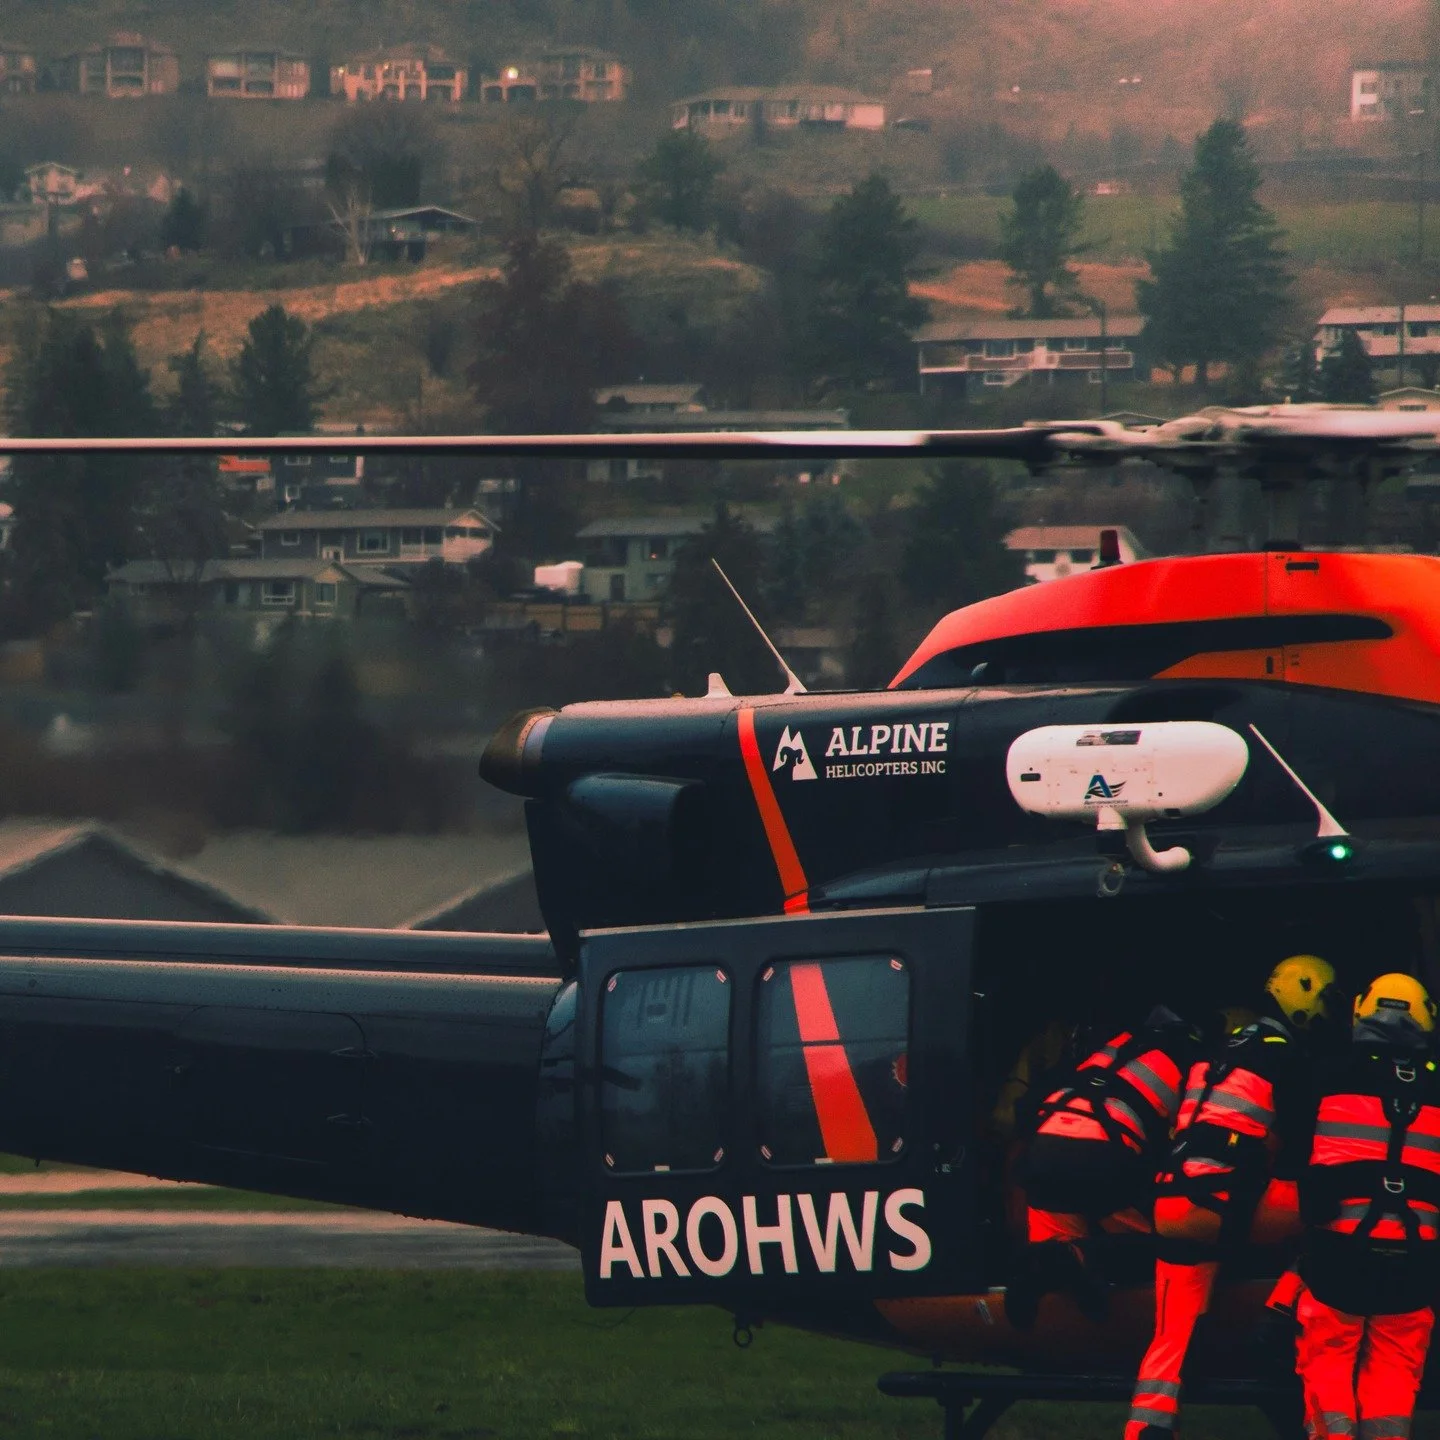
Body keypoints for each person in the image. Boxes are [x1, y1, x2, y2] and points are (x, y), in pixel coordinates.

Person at [1125, 955, 1341, 1440]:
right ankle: (1281, 1309)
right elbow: (1300, 1154)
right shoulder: (1286, 1056)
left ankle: (1146, 1428)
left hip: (1172, 1204)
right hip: (1224, 1205)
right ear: (1303, 994)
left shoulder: (1219, 1049)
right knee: (1348, 1214)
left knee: (1169, 1339)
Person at [1295, 973, 1440, 1440]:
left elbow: (1300, 1158)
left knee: (1328, 1357)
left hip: (1339, 1254)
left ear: (1361, 1011)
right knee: (1397, 1370)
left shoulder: (1326, 1071)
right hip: (1416, 1258)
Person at [1007, 1005, 1203, 1329]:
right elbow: (1194, 1142)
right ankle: (1084, 1259)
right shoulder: (1192, 1059)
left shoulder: (1116, 1045)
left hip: (1043, 1150)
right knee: (1168, 1246)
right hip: (1102, 1154)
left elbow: (1033, 1103)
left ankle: (1041, 1268)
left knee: (1052, 1246)